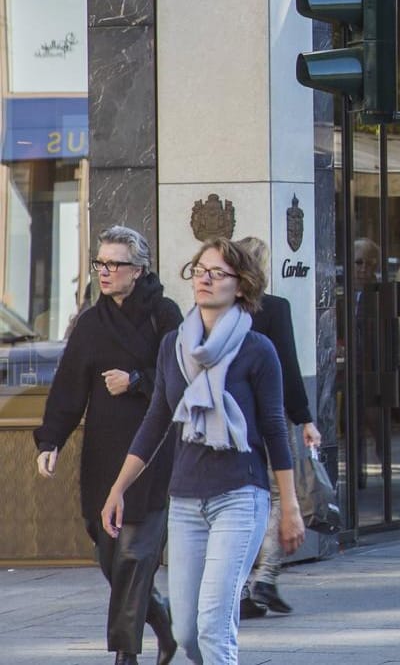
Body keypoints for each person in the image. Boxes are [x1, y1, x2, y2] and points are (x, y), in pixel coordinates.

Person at [101, 238, 303, 665]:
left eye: (218, 273)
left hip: (240, 497)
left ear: (242, 286)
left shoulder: (257, 350)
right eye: (200, 270)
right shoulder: (174, 345)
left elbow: (273, 429)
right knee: (188, 633)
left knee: (214, 624)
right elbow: (157, 420)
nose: (205, 279)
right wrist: (119, 487)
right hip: (186, 500)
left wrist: (290, 507)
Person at [34, 226, 183, 665]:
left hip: (151, 453)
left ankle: (125, 655)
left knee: (135, 558)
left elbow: (182, 379)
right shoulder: (90, 323)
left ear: (138, 270)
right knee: (110, 558)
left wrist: (137, 381)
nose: (105, 271)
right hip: (102, 454)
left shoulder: (165, 314)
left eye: (114, 264)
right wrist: (51, 440)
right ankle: (165, 626)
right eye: (100, 262)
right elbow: (68, 387)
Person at [232, 237, 320, 619]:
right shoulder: (274, 308)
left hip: (225, 419)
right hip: (266, 416)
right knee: (269, 495)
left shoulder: (217, 310)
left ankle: (247, 586)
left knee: (240, 499)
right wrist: (304, 418)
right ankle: (263, 577)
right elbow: (287, 364)